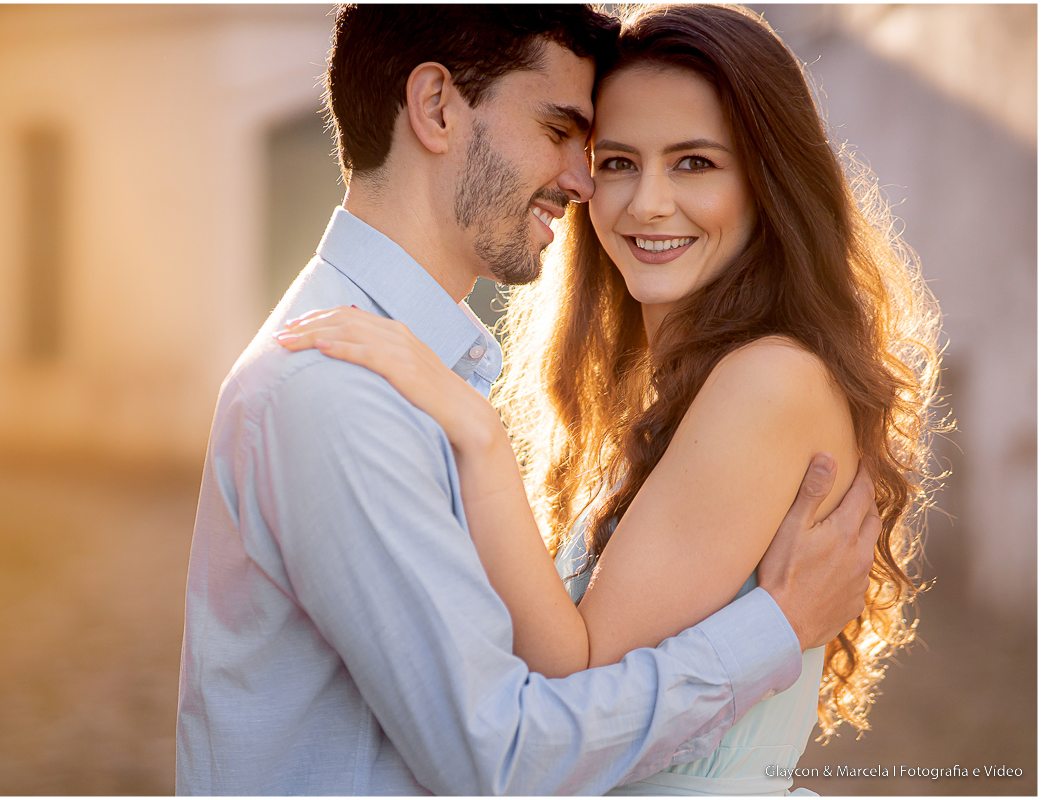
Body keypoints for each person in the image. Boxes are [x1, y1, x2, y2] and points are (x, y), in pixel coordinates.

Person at [178, 5, 883, 796]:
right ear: (437, 107)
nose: (590, 186)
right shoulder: (339, 387)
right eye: (576, 142)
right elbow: (505, 756)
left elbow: (538, 703)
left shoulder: (761, 381)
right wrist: (774, 629)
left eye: (693, 162)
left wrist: (478, 440)